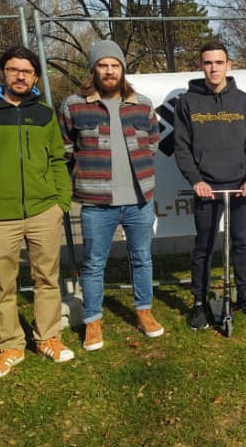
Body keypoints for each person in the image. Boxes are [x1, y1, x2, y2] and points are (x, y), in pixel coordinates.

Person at [0, 46, 74, 379]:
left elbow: (58, 161)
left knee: (47, 278)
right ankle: (10, 345)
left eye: (27, 71)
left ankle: (48, 338)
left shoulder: (45, 113)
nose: (20, 75)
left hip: (43, 211)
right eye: (13, 69)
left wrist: (60, 203)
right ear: (3, 72)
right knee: (2, 283)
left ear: (35, 77)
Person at [59, 39, 163, 351]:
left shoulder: (142, 104)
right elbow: (65, 148)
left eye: (114, 65)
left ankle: (144, 311)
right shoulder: (74, 105)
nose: (109, 70)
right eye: (103, 65)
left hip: (139, 201)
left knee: (142, 258)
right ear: (93, 69)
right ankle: (93, 321)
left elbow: (153, 142)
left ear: (122, 69)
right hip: (96, 203)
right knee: (93, 264)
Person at [173, 40, 246, 329]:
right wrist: (196, 180)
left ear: (229, 64)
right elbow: (182, 147)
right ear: (201, 66)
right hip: (207, 188)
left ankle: (244, 293)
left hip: (240, 188)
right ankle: (200, 302)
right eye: (207, 63)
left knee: (241, 242)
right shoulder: (187, 103)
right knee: (204, 245)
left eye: (218, 62)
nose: (213, 68)